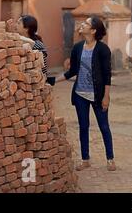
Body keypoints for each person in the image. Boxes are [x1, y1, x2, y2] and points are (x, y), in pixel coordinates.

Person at [56, 16, 116, 172]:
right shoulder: (77, 48)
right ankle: (85, 159)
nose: (82, 25)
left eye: (86, 23)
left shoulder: (103, 49)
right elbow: (73, 71)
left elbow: (107, 74)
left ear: (93, 30)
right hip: (80, 94)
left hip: (98, 95)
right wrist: (53, 80)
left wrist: (106, 96)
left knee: (104, 126)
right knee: (83, 127)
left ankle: (110, 159)